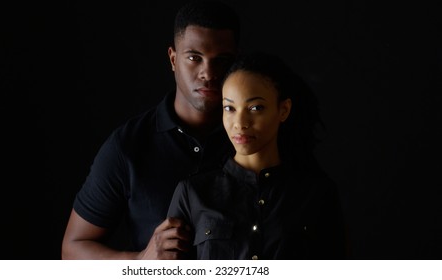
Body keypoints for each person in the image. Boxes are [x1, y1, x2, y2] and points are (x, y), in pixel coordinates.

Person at [61, 1, 241, 260]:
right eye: (194, 58)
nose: (208, 73)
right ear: (173, 59)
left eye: (221, 60)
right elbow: (72, 249)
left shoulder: (257, 137)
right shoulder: (129, 146)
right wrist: (139, 261)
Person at [167, 51, 347, 260]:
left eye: (255, 108)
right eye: (230, 108)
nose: (240, 123)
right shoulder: (193, 194)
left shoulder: (317, 193)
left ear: (283, 110)